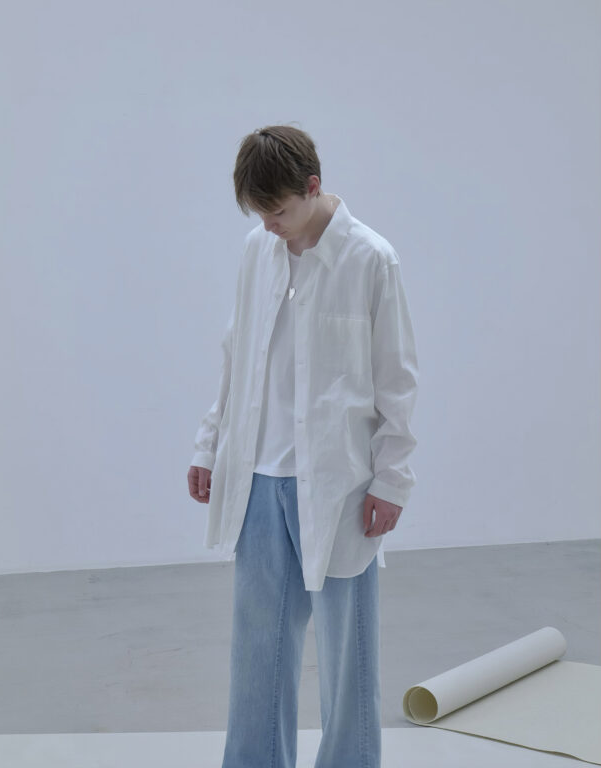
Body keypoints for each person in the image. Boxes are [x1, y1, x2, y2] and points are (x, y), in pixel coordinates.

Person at [188, 124, 419, 768]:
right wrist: (209, 445)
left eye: (279, 211)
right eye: (259, 214)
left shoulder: (371, 259)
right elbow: (236, 356)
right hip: (259, 479)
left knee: (349, 659)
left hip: (341, 486)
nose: (269, 226)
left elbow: (398, 381)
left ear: (313, 187)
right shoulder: (258, 251)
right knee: (258, 651)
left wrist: (392, 480)